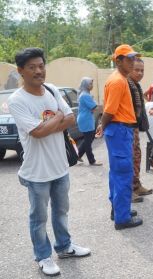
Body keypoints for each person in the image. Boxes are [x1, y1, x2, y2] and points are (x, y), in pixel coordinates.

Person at [8, 47, 91, 276]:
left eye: (41, 66)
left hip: (60, 167)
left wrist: (50, 123)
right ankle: (43, 256)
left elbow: (70, 118)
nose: (38, 71)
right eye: (32, 67)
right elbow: (37, 132)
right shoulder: (17, 100)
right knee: (39, 216)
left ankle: (64, 247)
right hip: (37, 172)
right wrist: (56, 118)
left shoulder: (52, 90)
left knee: (61, 211)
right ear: (21, 71)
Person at [98, 44, 143, 230]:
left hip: (119, 130)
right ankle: (122, 218)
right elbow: (109, 110)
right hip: (119, 130)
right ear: (118, 61)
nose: (133, 62)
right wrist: (102, 126)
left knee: (117, 173)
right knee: (124, 173)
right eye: (129, 59)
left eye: (134, 58)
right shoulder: (118, 81)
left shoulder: (120, 79)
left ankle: (118, 209)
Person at [127, 58, 153, 200]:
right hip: (127, 127)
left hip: (134, 126)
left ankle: (136, 185)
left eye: (142, 70)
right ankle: (129, 189)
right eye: (136, 69)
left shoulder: (135, 85)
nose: (139, 73)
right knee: (130, 157)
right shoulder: (126, 84)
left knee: (137, 154)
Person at [76, 77, 102, 166]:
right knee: (88, 141)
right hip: (86, 119)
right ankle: (92, 161)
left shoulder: (85, 94)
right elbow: (95, 107)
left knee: (88, 139)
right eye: (90, 84)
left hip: (86, 118)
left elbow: (93, 107)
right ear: (86, 85)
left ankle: (77, 156)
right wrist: (93, 103)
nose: (92, 86)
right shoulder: (85, 95)